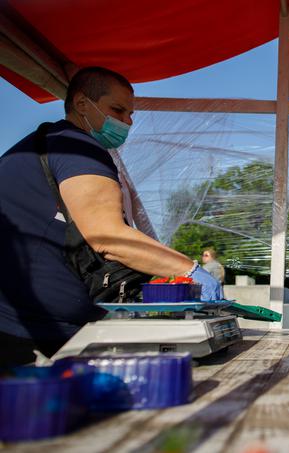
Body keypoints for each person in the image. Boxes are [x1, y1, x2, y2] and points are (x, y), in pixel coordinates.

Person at [0, 67, 222, 367]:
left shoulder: (49, 142)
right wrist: (191, 269)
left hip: (33, 327)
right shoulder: (75, 147)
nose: (127, 122)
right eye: (117, 110)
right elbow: (107, 237)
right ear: (81, 104)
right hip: (27, 337)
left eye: (130, 114)